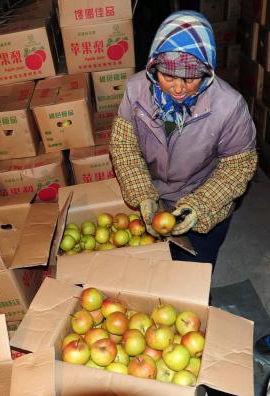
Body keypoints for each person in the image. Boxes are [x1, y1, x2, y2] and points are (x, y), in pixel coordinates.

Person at [109, 10, 258, 269]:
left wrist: (200, 206)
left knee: (195, 272)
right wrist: (141, 192)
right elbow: (124, 145)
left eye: (190, 79)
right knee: (154, 270)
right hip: (154, 194)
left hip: (205, 196)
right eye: (168, 77)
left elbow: (237, 167)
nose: (178, 89)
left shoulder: (229, 106)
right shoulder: (136, 91)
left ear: (207, 71)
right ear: (153, 67)